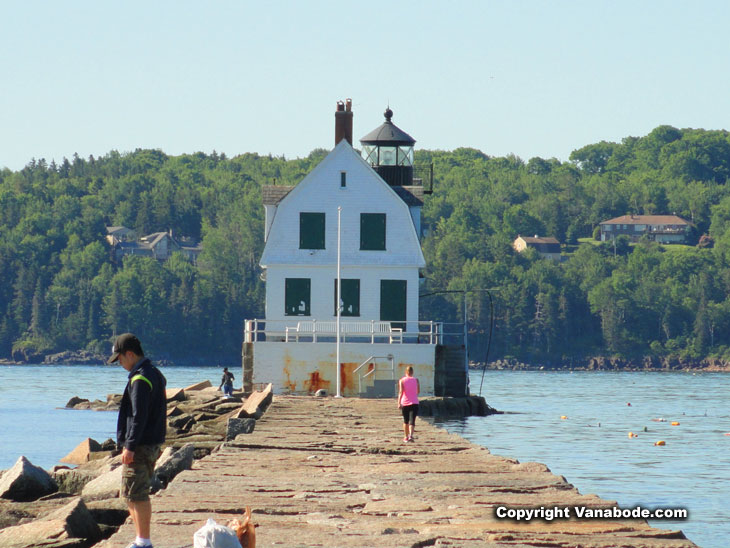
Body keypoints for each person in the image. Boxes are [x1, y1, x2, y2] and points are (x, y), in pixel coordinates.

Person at [109, 333, 167, 548]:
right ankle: (140, 539)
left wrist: (130, 446)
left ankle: (143, 542)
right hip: (152, 442)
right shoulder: (154, 373)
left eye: (120, 359)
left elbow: (138, 416)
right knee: (133, 493)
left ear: (130, 354)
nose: (120, 364)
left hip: (141, 445)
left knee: (136, 494)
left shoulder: (140, 379)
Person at [397, 366, 420, 443]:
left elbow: (400, 392)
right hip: (414, 402)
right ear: (412, 372)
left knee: (405, 421)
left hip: (405, 403)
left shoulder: (402, 380)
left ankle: (405, 437)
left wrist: (399, 402)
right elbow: (418, 392)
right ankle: (411, 435)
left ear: (405, 372)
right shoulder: (416, 380)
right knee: (412, 420)